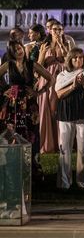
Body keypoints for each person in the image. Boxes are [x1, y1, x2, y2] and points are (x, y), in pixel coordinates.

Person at [0, 40, 53, 180]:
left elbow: (50, 78)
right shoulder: (8, 65)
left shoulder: (32, 64)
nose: (20, 51)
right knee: (13, 132)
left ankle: (32, 168)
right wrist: (5, 89)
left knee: (31, 134)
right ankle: (12, 167)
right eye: (16, 49)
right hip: (13, 104)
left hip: (29, 105)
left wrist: (39, 92)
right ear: (12, 52)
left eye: (21, 48)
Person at [54, 48, 84, 190]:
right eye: (74, 58)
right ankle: (64, 183)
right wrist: (73, 86)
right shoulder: (62, 75)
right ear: (70, 60)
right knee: (64, 148)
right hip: (66, 112)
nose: (78, 60)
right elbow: (59, 94)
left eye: (80, 58)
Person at [37, 20, 69, 153]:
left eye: (60, 29)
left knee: (58, 108)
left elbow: (69, 62)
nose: (57, 32)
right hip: (47, 79)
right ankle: (48, 143)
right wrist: (43, 53)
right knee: (46, 108)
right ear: (50, 31)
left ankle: (61, 142)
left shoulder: (66, 43)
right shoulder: (44, 45)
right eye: (55, 29)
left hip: (61, 79)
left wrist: (61, 45)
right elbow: (38, 65)